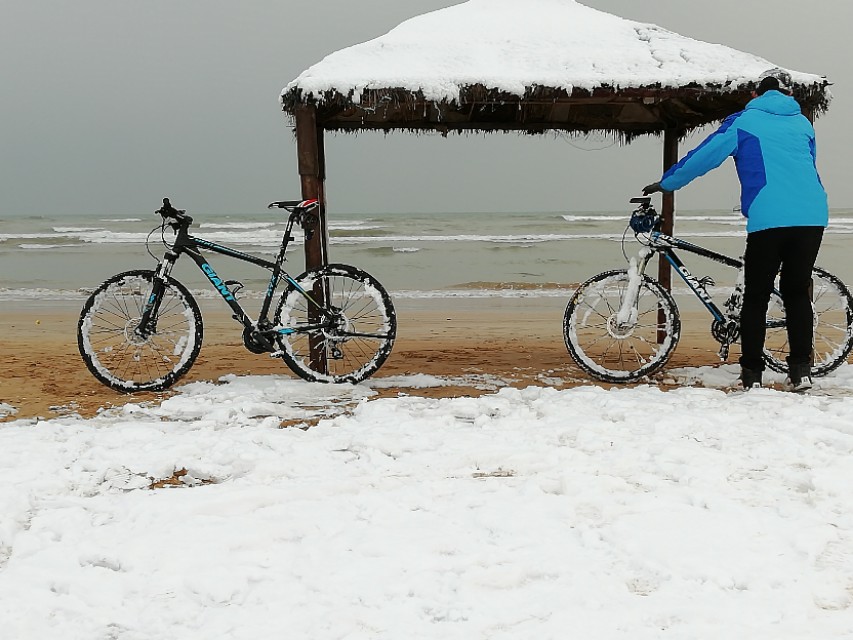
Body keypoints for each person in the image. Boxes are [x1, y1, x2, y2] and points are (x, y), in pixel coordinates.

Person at [642, 68, 829, 391]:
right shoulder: (803, 124)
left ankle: (752, 373)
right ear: (787, 94)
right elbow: (808, 166)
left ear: (757, 94)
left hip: (769, 216)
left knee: (756, 296)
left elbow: (704, 157)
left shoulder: (744, 121)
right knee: (796, 292)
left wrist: (667, 183)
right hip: (813, 215)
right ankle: (800, 372)